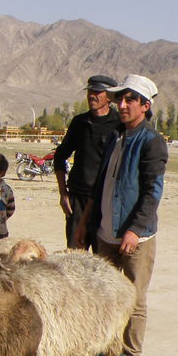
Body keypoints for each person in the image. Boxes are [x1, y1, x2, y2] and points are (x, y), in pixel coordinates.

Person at [74, 74, 168, 356]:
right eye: (121, 99)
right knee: (106, 296)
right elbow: (100, 185)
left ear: (145, 105)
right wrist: (84, 222)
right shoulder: (115, 136)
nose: (122, 105)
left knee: (134, 297)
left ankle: (130, 355)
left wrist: (135, 229)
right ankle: (107, 351)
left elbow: (152, 191)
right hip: (105, 233)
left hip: (134, 238)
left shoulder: (152, 142)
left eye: (129, 100)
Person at [53, 74, 120, 249]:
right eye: (90, 91)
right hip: (78, 201)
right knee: (74, 260)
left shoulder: (119, 124)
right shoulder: (79, 123)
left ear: (110, 97)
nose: (92, 95)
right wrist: (63, 193)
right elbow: (60, 155)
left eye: (98, 92)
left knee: (103, 262)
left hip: (104, 201)